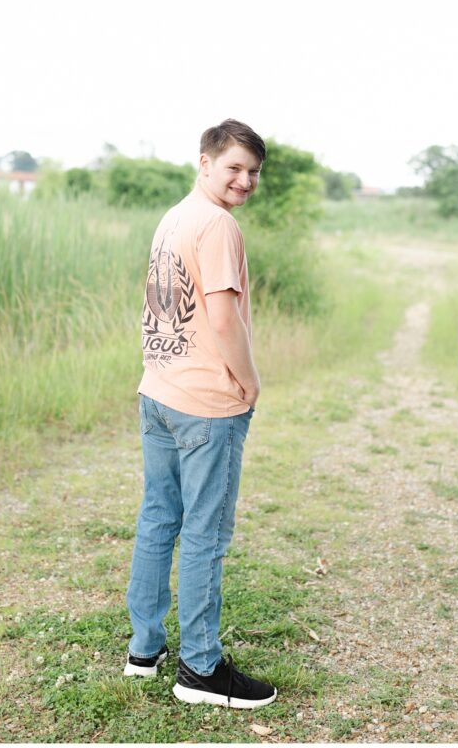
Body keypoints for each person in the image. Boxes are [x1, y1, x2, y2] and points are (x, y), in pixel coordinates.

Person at [124, 119, 277, 710]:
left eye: (254, 172)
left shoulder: (177, 214)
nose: (245, 180)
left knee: (160, 517)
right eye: (235, 167)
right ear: (206, 161)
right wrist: (249, 382)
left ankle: (145, 649)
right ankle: (201, 670)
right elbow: (222, 318)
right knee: (205, 535)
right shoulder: (217, 226)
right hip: (205, 403)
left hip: (158, 392)